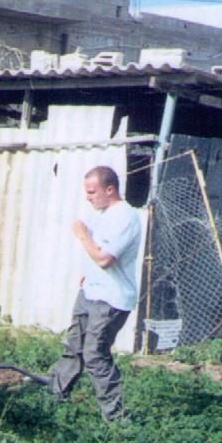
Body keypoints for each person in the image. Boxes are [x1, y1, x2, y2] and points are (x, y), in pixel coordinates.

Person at [48, 165, 142, 423]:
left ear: (109, 189)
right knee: (73, 347)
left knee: (95, 354)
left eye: (92, 191)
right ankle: (54, 398)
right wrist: (87, 274)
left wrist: (82, 235)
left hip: (111, 299)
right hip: (90, 292)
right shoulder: (102, 213)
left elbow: (104, 258)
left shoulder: (125, 217)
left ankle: (117, 418)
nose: (88, 197)